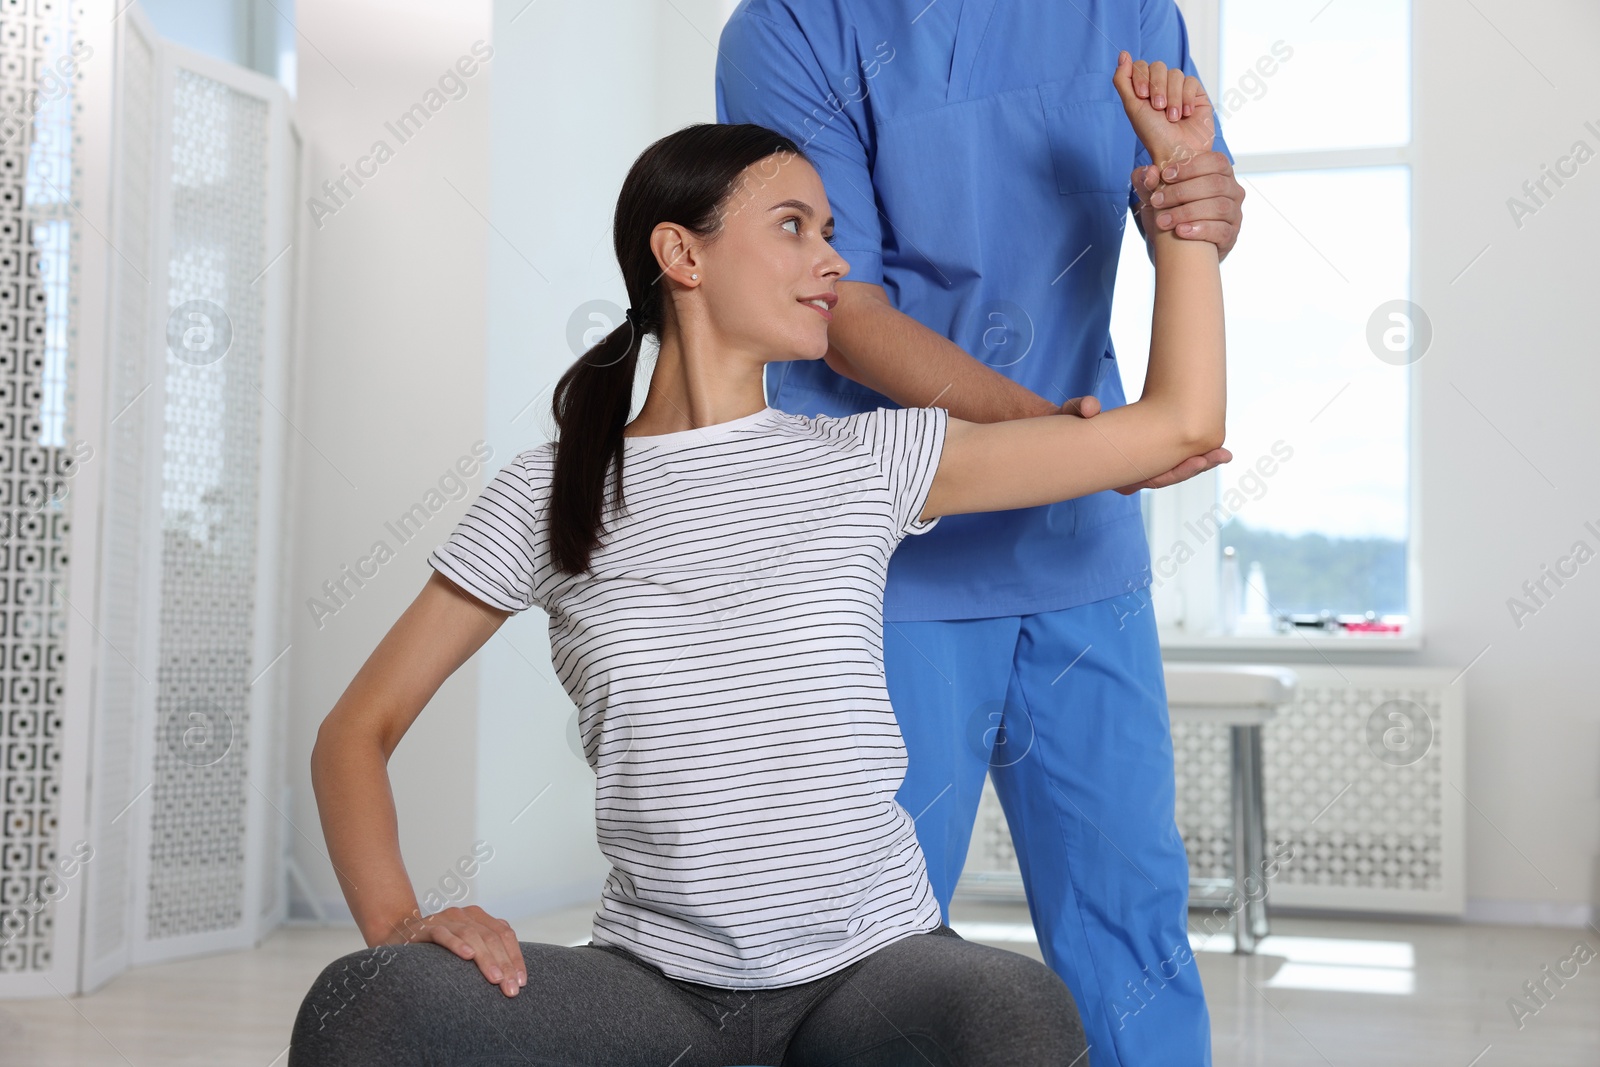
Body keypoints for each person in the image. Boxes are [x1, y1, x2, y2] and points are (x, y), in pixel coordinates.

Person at [288, 51, 1221, 1067]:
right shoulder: (549, 492)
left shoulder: (872, 457)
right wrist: (398, 925)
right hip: (655, 993)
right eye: (793, 227)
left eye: (830, 232)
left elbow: (1175, 426)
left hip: (871, 977)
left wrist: (1181, 205)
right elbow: (353, 731)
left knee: (1011, 1012)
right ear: (681, 255)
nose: (830, 259)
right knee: (364, 1005)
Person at [715, 4, 1245, 1064]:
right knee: (875, 947)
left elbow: (1189, 203)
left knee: (1129, 914)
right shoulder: (791, 29)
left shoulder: (1129, 13)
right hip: (892, 542)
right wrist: (1058, 443)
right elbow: (836, 302)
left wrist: (1206, 200)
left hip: (1080, 547)